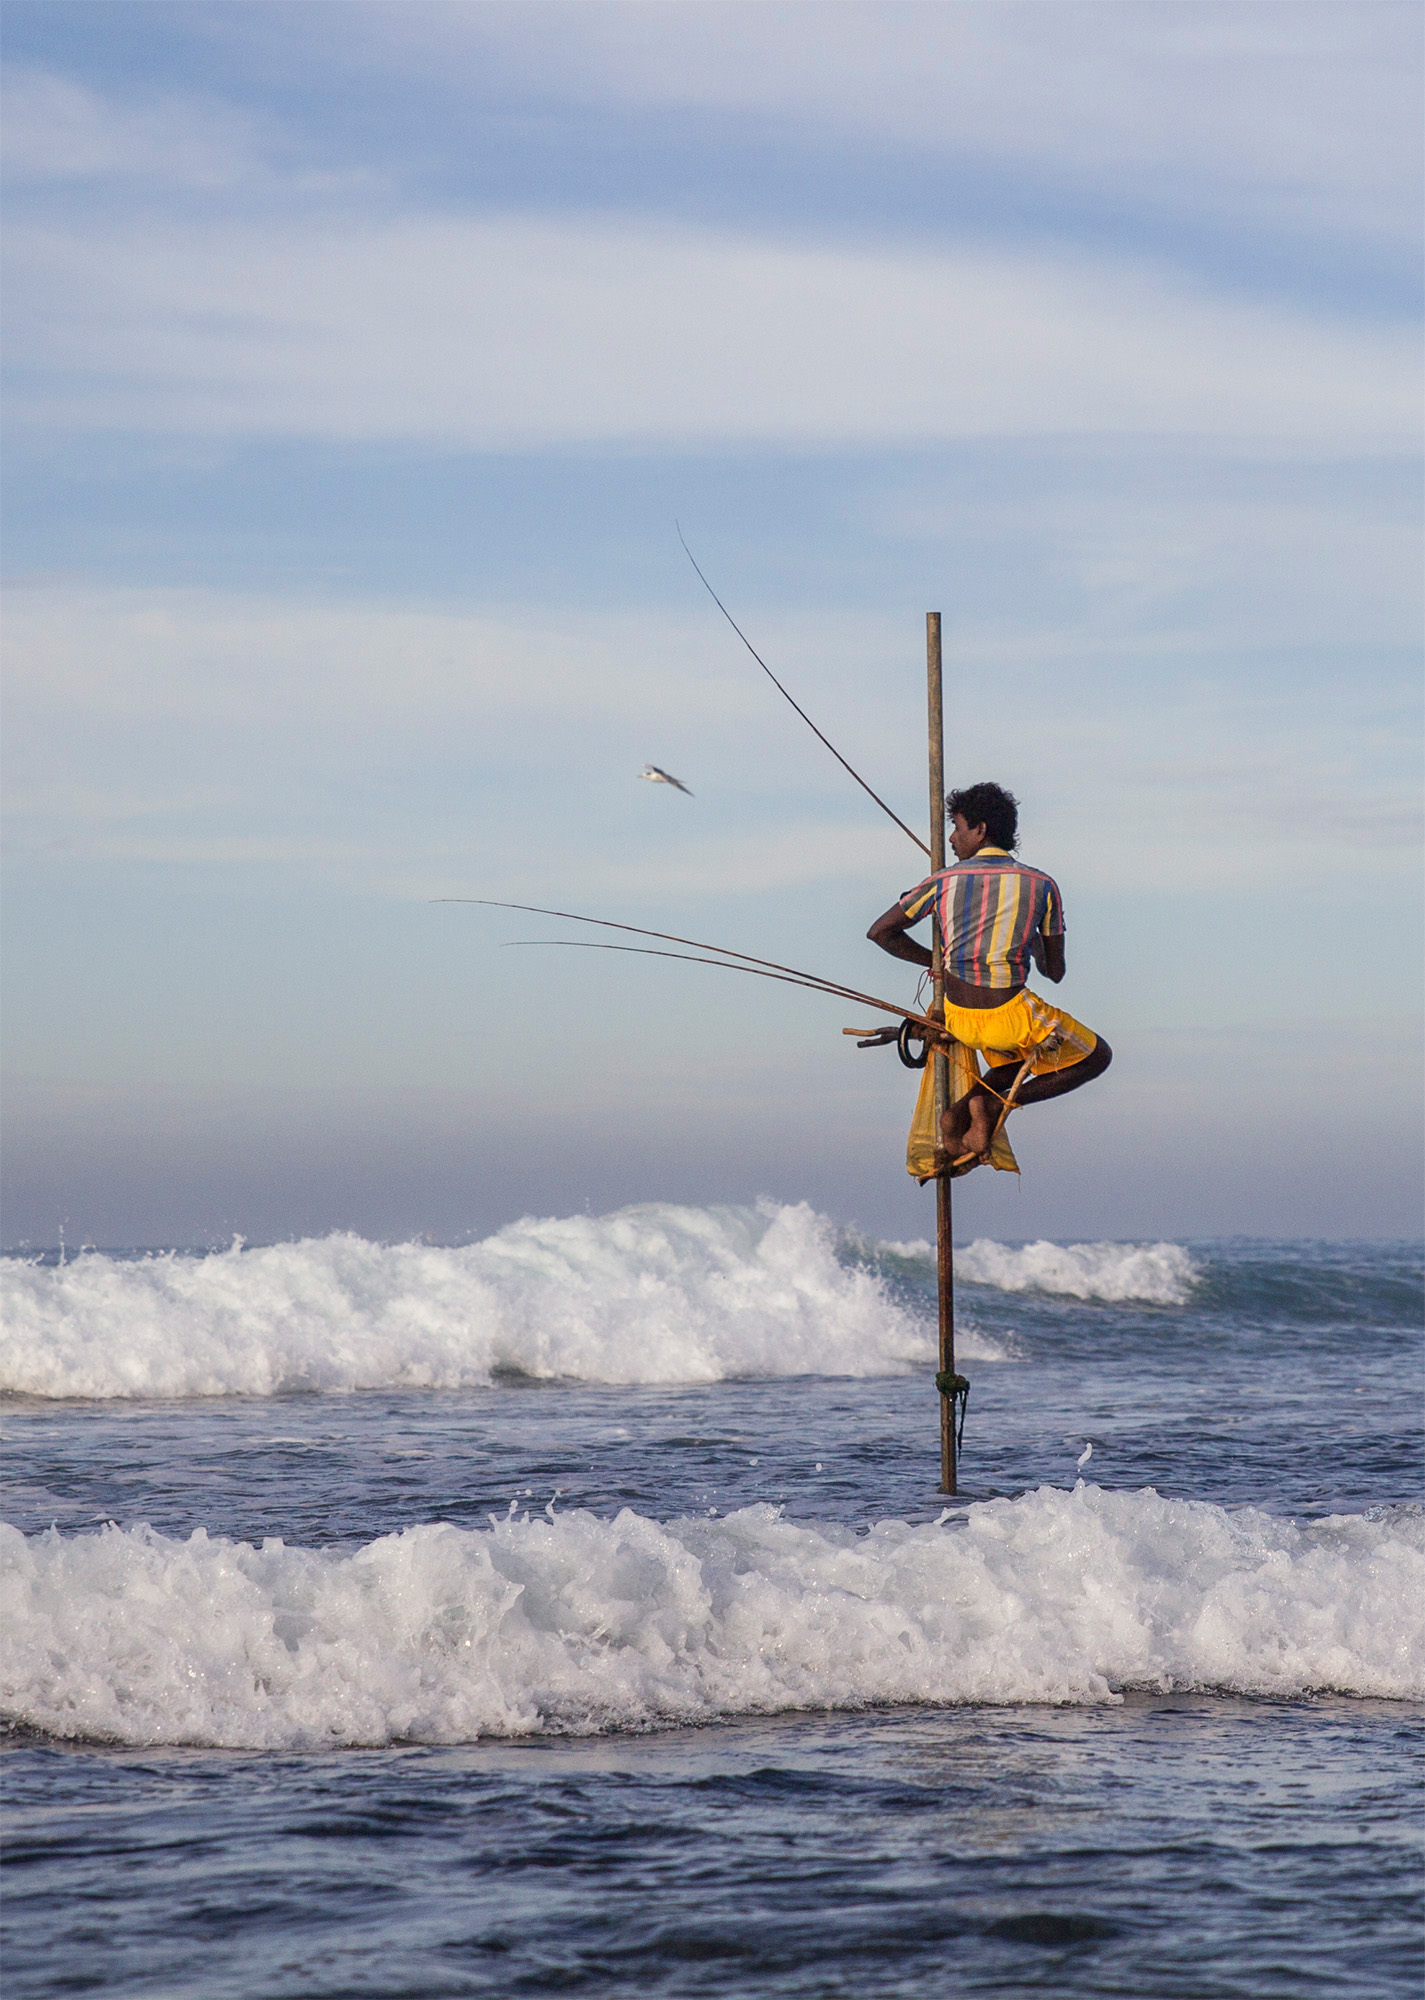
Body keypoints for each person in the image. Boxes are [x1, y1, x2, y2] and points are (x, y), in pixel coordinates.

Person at [867, 781, 1111, 1167]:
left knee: (1018, 1062)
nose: (951, 837)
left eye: (958, 827)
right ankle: (996, 1105)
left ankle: (959, 1114)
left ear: (980, 830)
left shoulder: (942, 881)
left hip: (961, 1016)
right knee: (1096, 1058)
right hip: (1011, 1015)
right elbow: (1056, 971)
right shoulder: (1041, 885)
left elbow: (881, 932)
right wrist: (1027, 939)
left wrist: (941, 962)